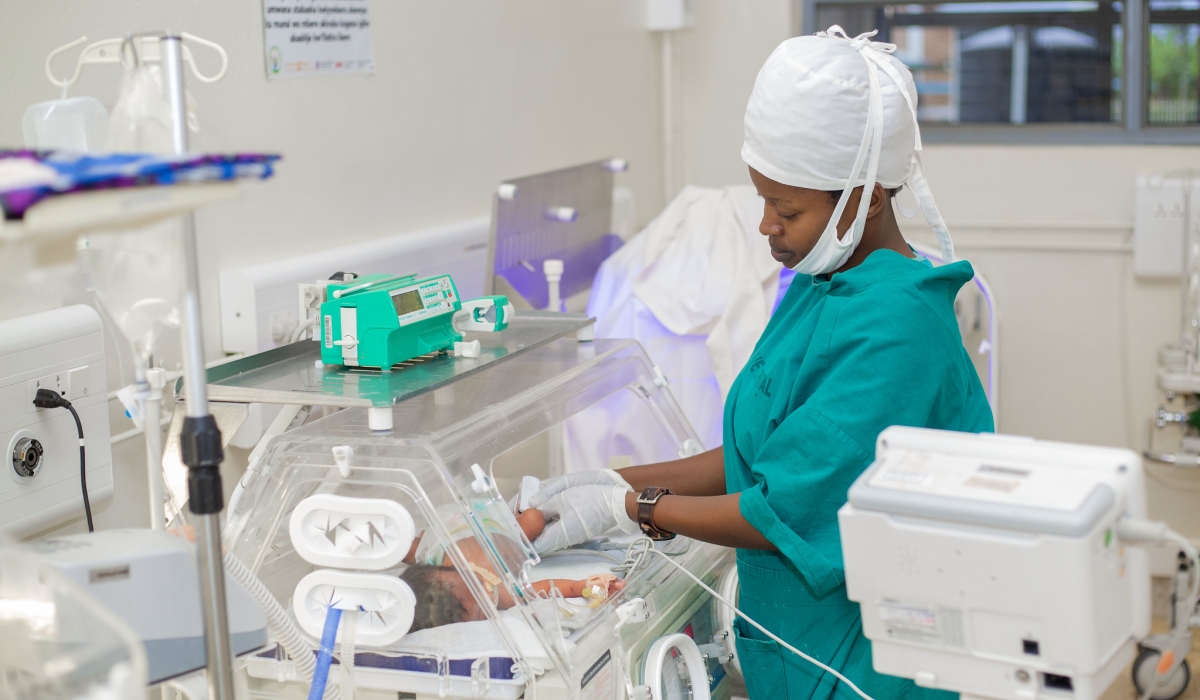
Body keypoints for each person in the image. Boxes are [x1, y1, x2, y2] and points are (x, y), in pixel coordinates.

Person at [526, 27, 994, 699]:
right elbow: (763, 451)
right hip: (795, 649)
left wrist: (630, 506)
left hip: (867, 670)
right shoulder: (820, 280)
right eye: (763, 201)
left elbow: (779, 509)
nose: (765, 226)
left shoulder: (895, 328)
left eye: (787, 208)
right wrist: (605, 478)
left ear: (867, 197)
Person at [400, 507, 624, 632]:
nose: (488, 594)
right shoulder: (495, 595)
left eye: (476, 585)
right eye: (482, 611)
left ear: (451, 569)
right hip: (497, 533)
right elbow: (543, 588)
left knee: (410, 549)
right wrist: (586, 587)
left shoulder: (434, 557)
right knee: (533, 520)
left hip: (452, 530)